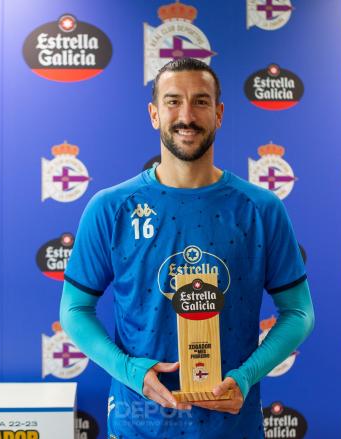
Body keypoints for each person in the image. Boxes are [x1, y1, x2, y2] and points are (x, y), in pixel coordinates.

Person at [60, 58, 315, 438]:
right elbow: (74, 310)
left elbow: (299, 312)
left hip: (232, 428)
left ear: (219, 114)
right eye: (173, 101)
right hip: (137, 426)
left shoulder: (260, 209)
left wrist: (245, 377)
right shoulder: (111, 208)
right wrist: (130, 370)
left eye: (200, 101)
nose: (186, 115)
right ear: (154, 113)